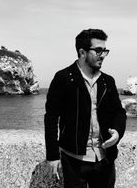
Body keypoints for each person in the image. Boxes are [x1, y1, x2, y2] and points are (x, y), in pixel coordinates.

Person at [44, 29, 127, 188]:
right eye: (98, 50)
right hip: (73, 160)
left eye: (104, 51)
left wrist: (117, 132)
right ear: (82, 52)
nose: (102, 55)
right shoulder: (63, 78)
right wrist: (52, 155)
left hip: (105, 159)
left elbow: (119, 112)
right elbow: (51, 117)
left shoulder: (108, 81)